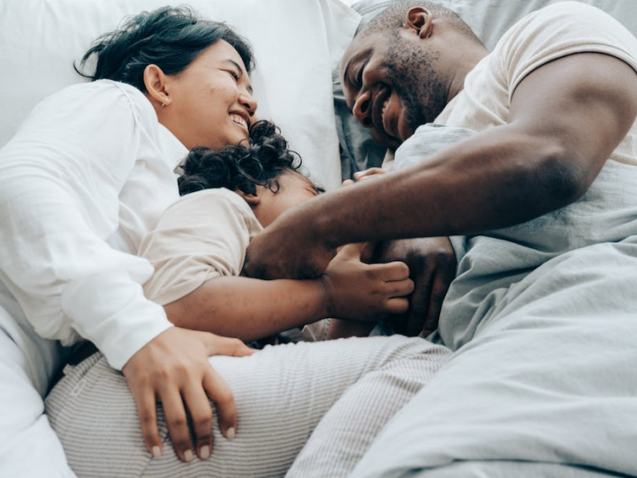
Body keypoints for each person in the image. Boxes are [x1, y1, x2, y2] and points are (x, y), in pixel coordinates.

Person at [245, 1, 637, 476]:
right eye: (355, 109)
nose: (361, 108)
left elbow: (553, 156)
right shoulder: (390, 174)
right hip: (463, 354)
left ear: (418, 22)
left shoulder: (548, 33)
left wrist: (318, 223)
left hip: (589, 295)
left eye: (360, 73)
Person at [45, 120, 451, 478]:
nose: (325, 216)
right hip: (115, 401)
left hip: (160, 425)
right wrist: (329, 294)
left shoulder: (288, 309)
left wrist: (356, 253)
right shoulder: (224, 205)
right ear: (251, 188)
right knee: (429, 368)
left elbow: (336, 384)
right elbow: (181, 302)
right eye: (314, 196)